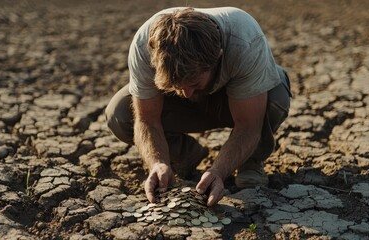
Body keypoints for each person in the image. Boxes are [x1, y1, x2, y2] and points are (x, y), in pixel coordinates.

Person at [105, 7, 291, 206]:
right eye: (176, 86)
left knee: (275, 97)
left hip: (233, 100)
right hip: (181, 108)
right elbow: (147, 120)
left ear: (218, 57)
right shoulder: (144, 45)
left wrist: (218, 171)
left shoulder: (244, 41)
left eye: (193, 84)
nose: (186, 94)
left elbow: (248, 125)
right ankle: (185, 155)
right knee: (121, 114)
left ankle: (250, 161)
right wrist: (157, 162)